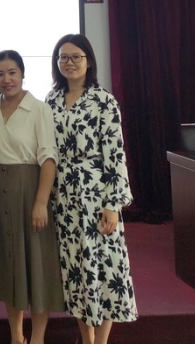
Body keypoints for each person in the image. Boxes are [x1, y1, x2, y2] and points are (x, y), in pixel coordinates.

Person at [45, 34, 138, 344]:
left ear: (88, 61)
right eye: (63, 57)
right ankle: (87, 338)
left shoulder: (104, 101)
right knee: (76, 271)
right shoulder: (51, 100)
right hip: (63, 198)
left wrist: (113, 205)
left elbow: (116, 155)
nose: (69, 62)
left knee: (105, 270)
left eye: (76, 57)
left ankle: (102, 340)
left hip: (97, 196)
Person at [0, 50, 64, 344]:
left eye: (12, 72)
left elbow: (49, 158)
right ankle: (17, 337)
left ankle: (38, 337)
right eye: (0, 74)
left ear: (22, 74)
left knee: (36, 265)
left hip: (30, 189)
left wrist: (41, 202)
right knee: (9, 264)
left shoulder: (39, 109)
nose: (6, 79)